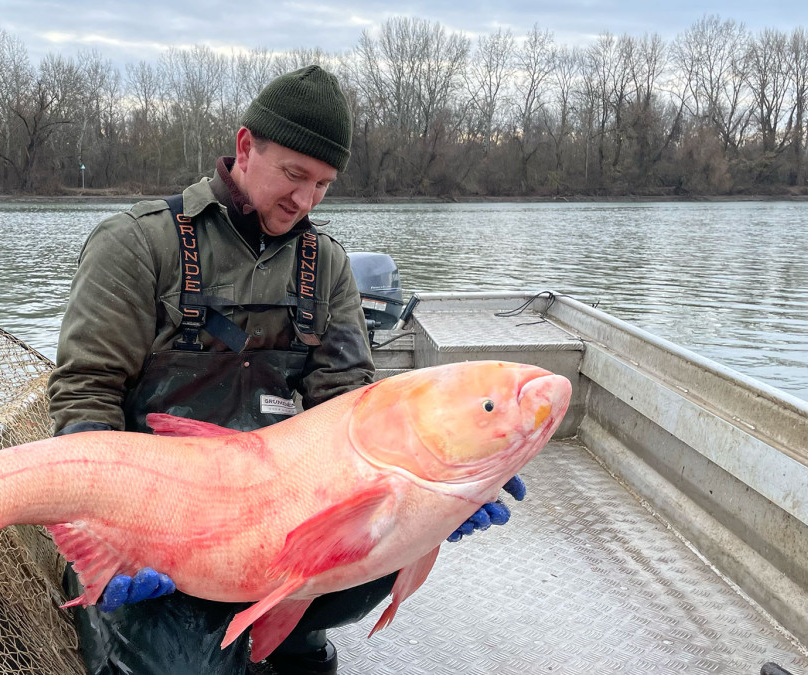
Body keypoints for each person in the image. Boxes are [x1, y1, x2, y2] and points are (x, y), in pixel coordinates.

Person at [46, 64, 523, 675]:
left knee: (383, 556)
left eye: (323, 185)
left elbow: (350, 405)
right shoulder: (138, 243)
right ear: (246, 148)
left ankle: (286, 622)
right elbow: (86, 393)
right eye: (294, 175)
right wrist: (103, 528)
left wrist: (440, 490)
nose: (305, 201)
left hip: (278, 509)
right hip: (158, 520)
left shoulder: (326, 265)